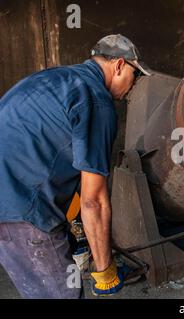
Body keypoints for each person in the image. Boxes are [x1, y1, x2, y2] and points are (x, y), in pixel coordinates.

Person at [0, 34, 150, 298]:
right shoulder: (96, 101)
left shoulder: (52, 78)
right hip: (21, 209)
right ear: (118, 66)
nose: (133, 84)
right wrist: (105, 272)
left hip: (10, 199)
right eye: (134, 75)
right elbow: (94, 201)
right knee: (63, 293)